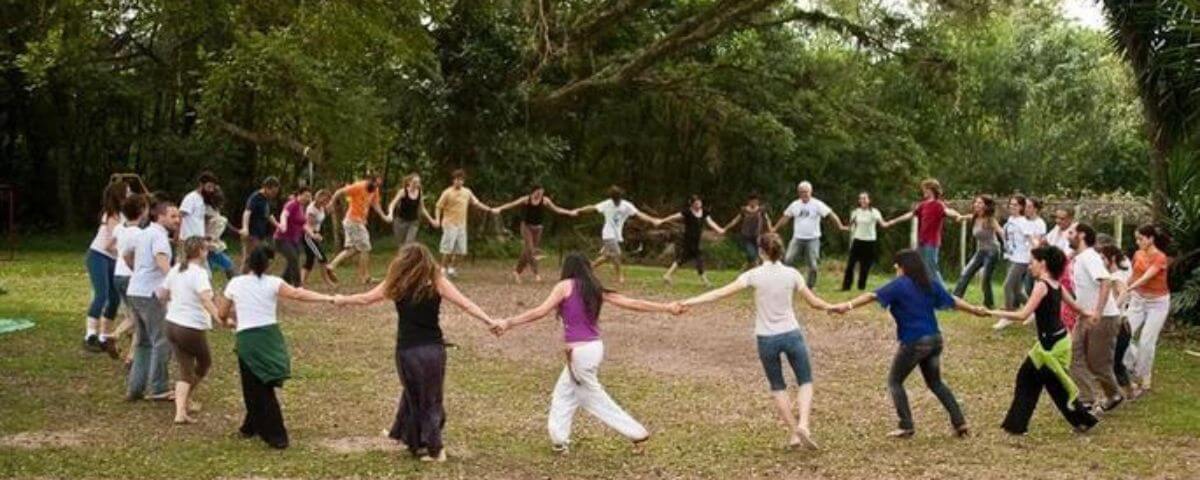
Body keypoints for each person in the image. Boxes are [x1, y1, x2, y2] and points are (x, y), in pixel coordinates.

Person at [493, 253, 682, 455]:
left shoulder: (565, 286)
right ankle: (559, 440)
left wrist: (509, 322)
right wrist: (666, 307)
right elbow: (632, 303)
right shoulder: (594, 288)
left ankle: (636, 433)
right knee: (563, 394)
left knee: (593, 398)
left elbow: (540, 311)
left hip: (580, 353)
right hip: (592, 349)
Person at [335, 244, 502, 462]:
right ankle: (405, 434)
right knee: (422, 396)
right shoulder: (436, 281)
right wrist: (489, 321)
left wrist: (341, 300)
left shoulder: (398, 283)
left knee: (420, 397)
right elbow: (465, 304)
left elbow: (365, 298)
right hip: (433, 350)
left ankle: (435, 449)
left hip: (407, 351)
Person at [679, 233, 840, 449]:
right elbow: (814, 303)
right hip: (792, 334)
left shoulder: (753, 275)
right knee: (805, 380)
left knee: (777, 386)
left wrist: (690, 301)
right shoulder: (793, 274)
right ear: (781, 251)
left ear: (761, 251)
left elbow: (719, 294)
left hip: (766, 339)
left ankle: (794, 433)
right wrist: (832, 307)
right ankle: (804, 424)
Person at [831, 249, 985, 438]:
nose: (896, 269)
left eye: (896, 266)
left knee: (895, 381)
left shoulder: (899, 285)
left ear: (902, 267)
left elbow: (872, 296)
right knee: (936, 382)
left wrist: (846, 306)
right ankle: (960, 422)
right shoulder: (928, 283)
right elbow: (952, 301)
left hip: (915, 341)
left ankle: (906, 425)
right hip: (935, 340)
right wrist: (974, 310)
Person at [219, 246, 336, 450]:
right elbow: (299, 294)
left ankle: (268, 432)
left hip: (247, 339)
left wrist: (227, 320)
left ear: (247, 261)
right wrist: (329, 298)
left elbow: (222, 313)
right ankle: (261, 429)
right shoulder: (274, 283)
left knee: (254, 385)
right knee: (262, 385)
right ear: (269, 263)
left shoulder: (235, 283)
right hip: (269, 337)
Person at [988, 246, 1100, 435]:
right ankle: (1017, 425)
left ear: (1043, 263)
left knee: (1049, 384)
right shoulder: (1056, 284)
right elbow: (1076, 308)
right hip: (1056, 342)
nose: (1030, 266)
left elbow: (1023, 314)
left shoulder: (1042, 285)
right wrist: (1090, 314)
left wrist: (991, 312)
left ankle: (1082, 420)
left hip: (1052, 347)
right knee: (1035, 380)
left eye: (1032, 262)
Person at [160, 237, 224, 425]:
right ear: (201, 252)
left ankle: (181, 410)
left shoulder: (175, 270)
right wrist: (219, 318)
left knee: (185, 369)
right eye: (206, 249)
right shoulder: (199, 273)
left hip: (171, 324)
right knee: (204, 363)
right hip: (190, 327)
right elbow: (205, 299)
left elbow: (163, 294)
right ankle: (184, 401)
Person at [123, 198, 182, 402]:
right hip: (149, 294)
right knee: (162, 340)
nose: (177, 220)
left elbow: (127, 255)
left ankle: (135, 388)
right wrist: (176, 280)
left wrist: (139, 272)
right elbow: (161, 261)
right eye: (173, 216)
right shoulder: (159, 236)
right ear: (160, 216)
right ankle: (159, 387)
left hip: (135, 290)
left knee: (143, 342)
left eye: (178, 216)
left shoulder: (143, 233)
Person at [1067, 224, 1124, 413]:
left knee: (1097, 363)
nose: (1068, 236)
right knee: (1073, 356)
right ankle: (1086, 399)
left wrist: (1098, 313)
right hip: (1084, 316)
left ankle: (1113, 394)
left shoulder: (1090, 257)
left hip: (1103, 317)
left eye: (1071, 233)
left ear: (1081, 235)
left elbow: (1105, 282)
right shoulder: (1080, 258)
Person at [571, 186, 664, 284]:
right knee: (617, 253)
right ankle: (619, 276)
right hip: (608, 233)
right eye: (614, 200)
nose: (616, 202)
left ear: (620, 197)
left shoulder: (627, 205)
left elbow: (639, 214)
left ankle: (587, 268)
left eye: (617, 200)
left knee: (607, 256)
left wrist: (653, 220)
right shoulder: (607, 204)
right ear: (612, 198)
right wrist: (578, 210)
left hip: (617, 235)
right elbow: (592, 208)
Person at [1120, 224, 1172, 397]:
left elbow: (1146, 276)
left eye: (1140, 239)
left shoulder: (1160, 257)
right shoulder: (1138, 254)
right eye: (1136, 238)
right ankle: (1131, 366)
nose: (1137, 242)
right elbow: (1134, 275)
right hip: (1138, 300)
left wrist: (1129, 288)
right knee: (1123, 334)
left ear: (1151, 239)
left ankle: (1144, 377)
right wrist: (1123, 289)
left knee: (1146, 342)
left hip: (1157, 303)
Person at [882, 179, 963, 284]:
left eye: (925, 189)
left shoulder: (938, 204)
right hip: (922, 241)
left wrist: (957, 215)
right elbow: (910, 215)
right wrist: (892, 221)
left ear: (931, 190)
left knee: (931, 269)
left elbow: (948, 211)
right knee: (919, 267)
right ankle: (919, 289)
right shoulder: (922, 205)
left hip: (932, 243)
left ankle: (944, 294)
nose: (923, 191)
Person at [771, 181, 845, 289]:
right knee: (788, 260)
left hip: (813, 239)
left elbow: (830, 214)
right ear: (798, 193)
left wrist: (840, 226)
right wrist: (774, 228)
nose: (804, 194)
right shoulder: (795, 205)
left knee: (813, 266)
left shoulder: (817, 204)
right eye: (801, 192)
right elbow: (785, 217)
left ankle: (810, 286)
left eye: (806, 192)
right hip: (797, 238)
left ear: (811, 192)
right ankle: (787, 283)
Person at [83, 180, 128, 357]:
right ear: (120, 196)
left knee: (115, 299)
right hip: (98, 255)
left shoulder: (124, 215)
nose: (130, 194)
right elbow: (112, 244)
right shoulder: (111, 215)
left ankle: (104, 337)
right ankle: (90, 336)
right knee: (101, 294)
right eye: (128, 192)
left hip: (112, 258)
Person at [495, 184, 575, 283]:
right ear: (534, 191)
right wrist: (499, 209)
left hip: (538, 228)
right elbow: (511, 204)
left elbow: (557, 209)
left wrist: (569, 212)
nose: (540, 194)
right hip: (526, 226)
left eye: (542, 192)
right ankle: (536, 274)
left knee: (527, 251)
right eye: (539, 192)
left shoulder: (545, 201)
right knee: (530, 249)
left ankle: (517, 272)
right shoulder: (526, 199)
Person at [433, 169, 498, 278]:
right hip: (449, 224)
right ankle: (443, 269)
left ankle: (451, 269)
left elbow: (477, 203)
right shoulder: (447, 192)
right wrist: (437, 220)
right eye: (457, 179)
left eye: (461, 180)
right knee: (447, 249)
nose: (459, 182)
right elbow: (438, 207)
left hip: (461, 225)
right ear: (453, 180)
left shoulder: (467, 192)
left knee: (461, 251)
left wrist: (490, 210)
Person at [329, 175, 391, 284]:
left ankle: (331, 266)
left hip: (356, 222)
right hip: (353, 221)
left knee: (353, 249)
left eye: (378, 184)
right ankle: (365, 277)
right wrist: (331, 203)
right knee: (365, 247)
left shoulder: (374, 190)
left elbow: (375, 204)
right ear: (369, 180)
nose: (376, 186)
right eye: (375, 183)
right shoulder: (358, 186)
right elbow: (339, 191)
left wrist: (384, 216)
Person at [112, 194, 149, 366]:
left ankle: (125, 348)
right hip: (131, 278)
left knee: (132, 316)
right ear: (141, 211)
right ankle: (127, 351)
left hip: (117, 276)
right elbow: (134, 256)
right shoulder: (140, 234)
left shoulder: (120, 229)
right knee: (139, 319)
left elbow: (109, 246)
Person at [659, 195, 726, 287]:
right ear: (692, 204)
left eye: (699, 202)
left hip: (696, 240)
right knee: (699, 259)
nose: (699, 204)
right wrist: (662, 220)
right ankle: (706, 282)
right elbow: (674, 216)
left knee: (682, 259)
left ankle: (667, 275)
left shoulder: (704, 212)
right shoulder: (687, 212)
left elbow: (710, 222)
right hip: (688, 240)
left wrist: (719, 229)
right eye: (696, 202)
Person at [952, 195, 1003, 309]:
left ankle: (989, 304)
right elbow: (968, 216)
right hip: (981, 252)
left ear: (986, 206)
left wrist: (1011, 243)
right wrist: (961, 217)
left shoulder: (990, 220)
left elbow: (1000, 231)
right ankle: (954, 300)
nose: (976, 205)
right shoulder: (975, 217)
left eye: (980, 203)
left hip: (992, 252)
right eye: (976, 202)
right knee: (966, 273)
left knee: (985, 279)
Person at [995, 195, 1031, 329]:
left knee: (1007, 285)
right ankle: (1032, 310)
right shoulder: (1011, 220)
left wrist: (1033, 256)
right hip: (1011, 256)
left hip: (1022, 259)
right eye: (1011, 204)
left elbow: (1031, 239)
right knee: (1016, 289)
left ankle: (1008, 315)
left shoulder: (1024, 222)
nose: (1012, 207)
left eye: (1015, 205)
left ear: (1021, 207)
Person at [840, 192, 886, 291]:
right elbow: (851, 226)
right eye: (861, 199)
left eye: (865, 198)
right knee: (850, 264)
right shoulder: (855, 212)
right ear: (859, 201)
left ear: (869, 200)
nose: (863, 201)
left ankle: (861, 287)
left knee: (865, 266)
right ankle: (846, 287)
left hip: (870, 242)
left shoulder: (874, 212)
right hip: (857, 240)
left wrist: (893, 222)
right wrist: (843, 227)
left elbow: (882, 224)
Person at [239, 177, 281, 271]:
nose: (274, 195)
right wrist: (245, 228)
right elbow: (247, 212)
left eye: (276, 192)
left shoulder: (266, 199)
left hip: (260, 235)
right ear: (266, 187)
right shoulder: (256, 197)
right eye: (273, 192)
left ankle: (254, 280)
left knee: (264, 257)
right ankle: (240, 282)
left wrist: (278, 225)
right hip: (252, 235)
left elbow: (269, 214)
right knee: (250, 259)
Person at [273, 187, 312, 287]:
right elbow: (284, 214)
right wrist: (283, 225)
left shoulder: (301, 207)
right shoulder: (292, 204)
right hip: (282, 239)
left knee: (293, 260)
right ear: (299, 194)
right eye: (306, 195)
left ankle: (283, 282)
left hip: (293, 240)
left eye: (309, 196)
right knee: (294, 259)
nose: (307, 198)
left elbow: (302, 224)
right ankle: (298, 285)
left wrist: (312, 234)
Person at [387, 174, 438, 247]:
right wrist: (390, 214)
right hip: (401, 222)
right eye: (414, 182)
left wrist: (431, 220)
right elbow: (392, 204)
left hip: (413, 222)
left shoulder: (419, 192)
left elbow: (422, 208)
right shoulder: (403, 192)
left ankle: (407, 257)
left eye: (418, 182)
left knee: (409, 244)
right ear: (409, 182)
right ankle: (402, 257)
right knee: (401, 245)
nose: (416, 184)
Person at [722, 193, 769, 269]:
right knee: (751, 254)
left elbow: (767, 220)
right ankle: (752, 268)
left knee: (758, 255)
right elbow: (735, 220)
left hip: (758, 237)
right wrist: (726, 228)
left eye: (755, 201)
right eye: (752, 201)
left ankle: (750, 268)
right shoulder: (744, 210)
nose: (753, 203)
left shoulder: (761, 210)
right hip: (746, 237)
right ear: (749, 201)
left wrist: (772, 229)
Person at [302, 189, 338, 286]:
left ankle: (302, 282)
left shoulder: (321, 207)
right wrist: (314, 235)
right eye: (324, 199)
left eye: (327, 200)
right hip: (308, 236)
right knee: (322, 257)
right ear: (318, 197)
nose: (326, 202)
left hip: (315, 235)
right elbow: (309, 226)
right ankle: (327, 280)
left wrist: (328, 211)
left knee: (310, 260)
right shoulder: (311, 209)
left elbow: (322, 216)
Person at [202, 186, 236, 281]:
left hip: (213, 244)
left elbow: (225, 222)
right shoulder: (206, 211)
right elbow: (203, 226)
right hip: (208, 244)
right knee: (228, 265)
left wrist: (237, 231)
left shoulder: (214, 210)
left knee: (210, 271)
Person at [180, 171, 218, 242]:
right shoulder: (191, 198)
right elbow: (181, 216)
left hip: (199, 241)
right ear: (201, 185)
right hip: (188, 240)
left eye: (213, 187)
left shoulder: (204, 200)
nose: (211, 190)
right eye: (209, 187)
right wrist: (178, 236)